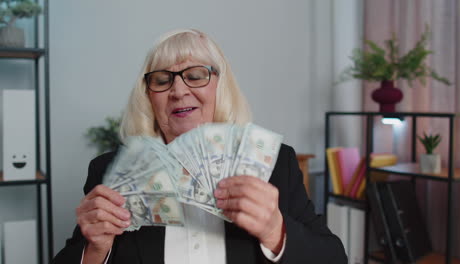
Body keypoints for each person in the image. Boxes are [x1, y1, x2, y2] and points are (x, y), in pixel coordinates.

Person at [53, 29, 347, 264]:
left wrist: (275, 232)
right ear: (148, 96)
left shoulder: (277, 164)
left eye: (195, 76)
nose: (179, 91)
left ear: (221, 86)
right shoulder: (106, 171)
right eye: (162, 80)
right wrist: (95, 251)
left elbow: (333, 257)